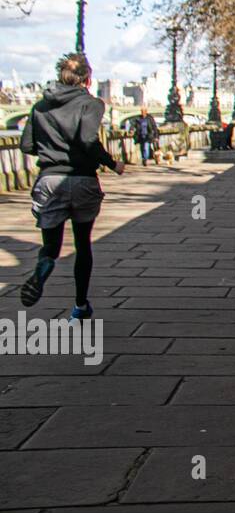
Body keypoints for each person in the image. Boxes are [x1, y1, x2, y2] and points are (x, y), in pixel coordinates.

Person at [18, 53, 126, 319]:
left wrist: (52, 148)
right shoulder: (91, 104)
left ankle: (43, 267)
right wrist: (113, 164)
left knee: (51, 248)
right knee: (82, 244)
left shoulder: (41, 106)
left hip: (49, 179)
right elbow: (89, 141)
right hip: (81, 180)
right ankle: (80, 305)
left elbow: (27, 146)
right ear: (87, 79)